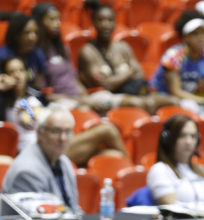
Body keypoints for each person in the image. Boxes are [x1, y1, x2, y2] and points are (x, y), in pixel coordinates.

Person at [0, 56, 128, 165]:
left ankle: (132, 173)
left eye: (21, 70)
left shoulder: (36, 96)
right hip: (36, 153)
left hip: (56, 143)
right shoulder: (3, 102)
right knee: (107, 130)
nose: (17, 75)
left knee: (114, 155)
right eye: (12, 72)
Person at [77, 1, 177, 114]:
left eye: (110, 20)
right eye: (101, 20)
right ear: (94, 23)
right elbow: (106, 85)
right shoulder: (88, 52)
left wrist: (118, 78)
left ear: (115, 23)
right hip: (100, 97)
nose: (106, 25)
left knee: (173, 101)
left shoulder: (123, 47)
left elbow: (140, 74)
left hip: (130, 93)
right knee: (137, 104)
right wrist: (129, 71)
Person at [1, 108, 82, 216]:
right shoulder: (27, 171)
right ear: (40, 133)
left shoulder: (64, 161)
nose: (63, 138)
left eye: (67, 132)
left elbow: (74, 207)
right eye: (56, 131)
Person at [150, 11, 204, 117]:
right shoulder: (174, 56)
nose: (201, 38)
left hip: (192, 97)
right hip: (165, 96)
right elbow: (175, 91)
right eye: (195, 34)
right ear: (186, 37)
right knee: (191, 107)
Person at [147, 114, 204, 205]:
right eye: (182, 136)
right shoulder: (160, 170)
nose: (188, 142)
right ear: (168, 139)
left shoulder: (201, 170)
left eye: (193, 136)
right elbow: (172, 209)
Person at [0, 13, 46, 90]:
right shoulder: (3, 56)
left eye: (36, 33)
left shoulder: (38, 55)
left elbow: (38, 86)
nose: (32, 37)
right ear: (16, 35)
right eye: (27, 32)